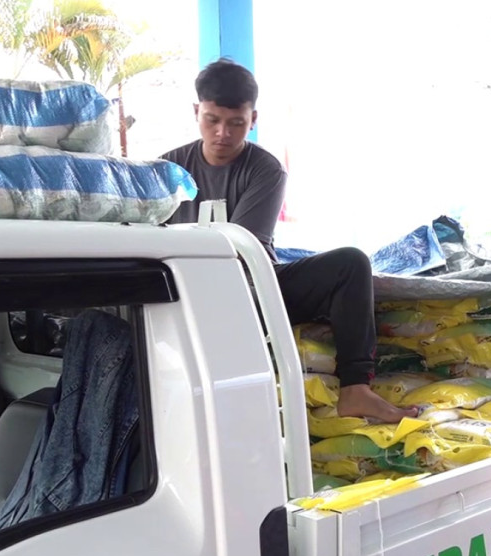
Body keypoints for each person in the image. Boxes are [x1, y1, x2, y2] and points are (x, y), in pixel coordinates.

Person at [160, 58, 418, 424]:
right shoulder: (167, 171)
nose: (223, 133)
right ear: (195, 112)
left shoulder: (265, 169)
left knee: (351, 264)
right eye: (212, 120)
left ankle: (356, 390)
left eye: (237, 123)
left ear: (253, 119)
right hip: (188, 294)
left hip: (257, 291)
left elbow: (240, 246)